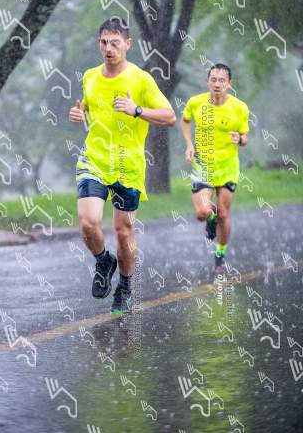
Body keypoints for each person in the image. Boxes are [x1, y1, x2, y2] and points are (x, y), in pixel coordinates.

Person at [69, 18, 176, 314]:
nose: (109, 48)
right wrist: (79, 114)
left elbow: (169, 116)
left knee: (124, 231)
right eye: (104, 42)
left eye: (115, 43)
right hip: (94, 160)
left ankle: (125, 286)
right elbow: (89, 109)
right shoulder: (90, 76)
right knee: (88, 222)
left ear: (128, 44)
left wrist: (136, 110)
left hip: (128, 165)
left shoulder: (141, 79)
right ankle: (104, 261)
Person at [180, 63, 249, 272]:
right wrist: (189, 145)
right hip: (203, 166)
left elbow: (245, 137)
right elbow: (185, 121)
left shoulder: (240, 107)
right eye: (213, 80)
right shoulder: (195, 102)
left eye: (222, 80)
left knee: (223, 214)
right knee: (202, 212)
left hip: (228, 168)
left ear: (229, 83)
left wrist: (239, 139)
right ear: (207, 81)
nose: (217, 84)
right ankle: (210, 221)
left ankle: (220, 253)